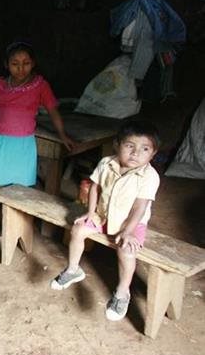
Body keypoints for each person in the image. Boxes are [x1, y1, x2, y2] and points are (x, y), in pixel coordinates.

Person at [0, 41, 74, 234]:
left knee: (19, 188)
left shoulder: (40, 85)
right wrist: (0, 123)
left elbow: (53, 110)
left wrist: (62, 134)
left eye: (26, 63)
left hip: (22, 145)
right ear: (6, 64)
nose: (21, 68)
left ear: (33, 63)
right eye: (15, 63)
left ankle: (5, 224)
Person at [51, 121, 160, 321]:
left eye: (144, 149)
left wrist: (128, 231)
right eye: (130, 146)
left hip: (131, 222)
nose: (135, 153)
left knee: (126, 250)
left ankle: (122, 292)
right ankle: (74, 270)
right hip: (103, 214)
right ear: (117, 145)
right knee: (78, 230)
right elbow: (95, 188)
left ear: (153, 154)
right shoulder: (106, 163)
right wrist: (90, 213)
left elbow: (140, 207)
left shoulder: (150, 176)